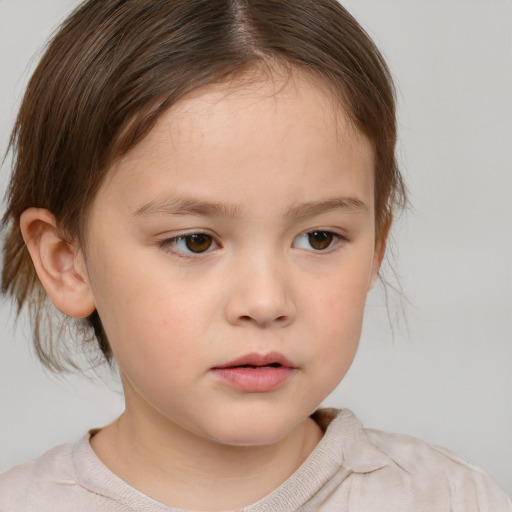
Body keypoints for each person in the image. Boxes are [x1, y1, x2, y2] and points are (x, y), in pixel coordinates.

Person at [0, 0, 510, 510]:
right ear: (67, 260)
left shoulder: (450, 499)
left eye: (319, 238)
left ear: (376, 247)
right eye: (195, 241)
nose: (266, 302)